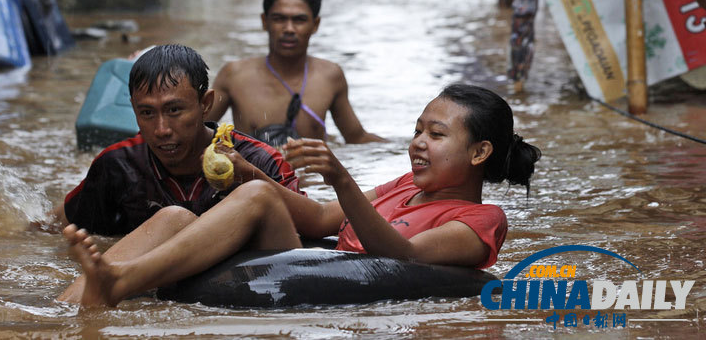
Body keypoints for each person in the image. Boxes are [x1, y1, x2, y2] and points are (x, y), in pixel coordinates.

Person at [60, 83, 541, 307]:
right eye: (417, 130)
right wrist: (246, 171)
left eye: (435, 135)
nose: (417, 143)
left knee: (259, 201)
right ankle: (68, 302)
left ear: (479, 152)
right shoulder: (404, 187)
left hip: (324, 274)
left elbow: (404, 255)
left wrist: (342, 177)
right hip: (310, 255)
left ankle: (120, 282)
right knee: (173, 217)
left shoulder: (482, 220)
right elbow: (318, 220)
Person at [53, 44, 303, 237]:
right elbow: (61, 230)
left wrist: (249, 177)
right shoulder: (117, 167)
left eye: (174, 110)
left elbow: (307, 226)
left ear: (205, 104)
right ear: (133, 109)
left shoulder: (259, 161)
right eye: (147, 113)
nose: (161, 130)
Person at [207, 0, 384, 147]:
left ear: (315, 25)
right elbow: (196, 133)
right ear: (264, 21)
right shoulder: (234, 76)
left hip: (310, 176)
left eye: (299, 20)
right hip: (251, 175)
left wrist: (404, 146)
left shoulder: (330, 76)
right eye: (279, 19)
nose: (289, 29)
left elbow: (357, 138)